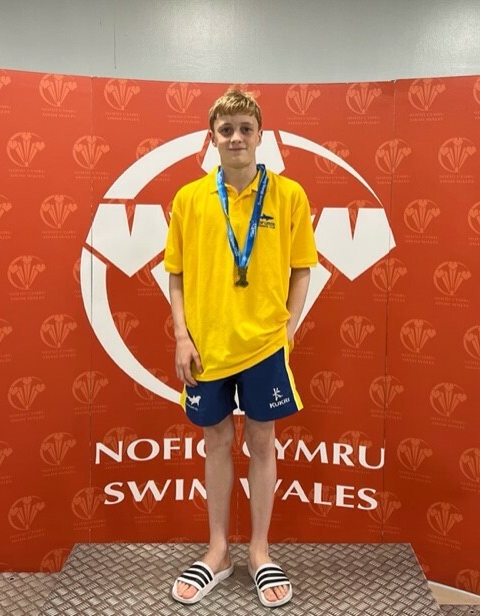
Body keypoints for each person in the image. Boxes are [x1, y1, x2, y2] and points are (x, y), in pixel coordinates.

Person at [164, 88, 317, 607]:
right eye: (226, 130)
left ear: (259, 135)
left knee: (262, 441)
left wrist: (288, 328)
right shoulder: (189, 199)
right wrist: (182, 336)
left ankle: (259, 552)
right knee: (216, 442)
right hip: (207, 345)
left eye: (245, 129)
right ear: (212, 138)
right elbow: (176, 274)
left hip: (265, 344)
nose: (235, 138)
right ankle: (217, 551)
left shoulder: (289, 195)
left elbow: (302, 268)